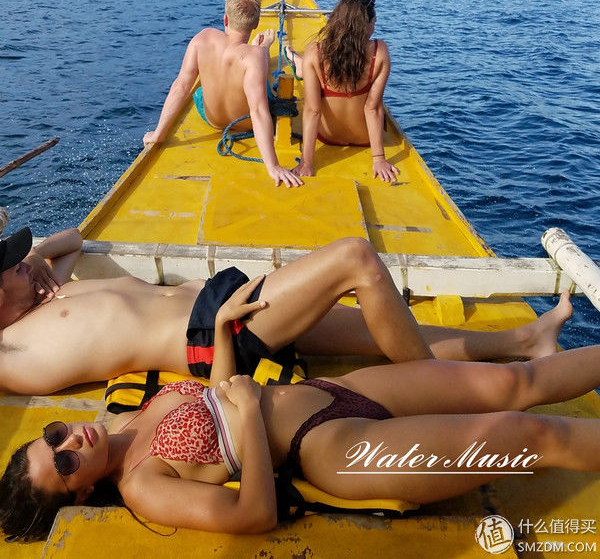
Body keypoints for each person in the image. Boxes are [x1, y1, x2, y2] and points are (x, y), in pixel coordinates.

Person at [4, 333, 600, 540]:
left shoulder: (125, 419)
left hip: (333, 390)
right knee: (530, 435)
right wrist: (246, 416)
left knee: (512, 381)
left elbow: (215, 395)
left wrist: (220, 332)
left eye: (54, 437)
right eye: (64, 465)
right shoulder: (143, 487)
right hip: (329, 447)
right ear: (82, 494)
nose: (70, 444)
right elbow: (253, 514)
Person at [0, 226, 571, 396]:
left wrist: (34, 258)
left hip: (225, 298)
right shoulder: (16, 349)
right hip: (214, 336)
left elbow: (72, 239)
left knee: (383, 330)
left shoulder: (48, 286)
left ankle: (524, 342)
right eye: (12, 265)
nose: (23, 263)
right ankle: (442, 389)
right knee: (356, 259)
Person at [143, 0, 302, 188]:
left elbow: (181, 86)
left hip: (211, 119)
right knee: (265, 87)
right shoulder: (254, 57)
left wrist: (158, 134)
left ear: (225, 19)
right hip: (244, 123)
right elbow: (258, 111)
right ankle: (263, 49)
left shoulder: (202, 38)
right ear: (255, 24)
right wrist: (273, 166)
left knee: (199, 92)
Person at [290, 0, 397, 182]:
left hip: (328, 136)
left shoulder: (315, 51)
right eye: (373, 22)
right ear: (365, 25)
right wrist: (379, 159)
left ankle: (300, 65)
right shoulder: (379, 52)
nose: (374, 27)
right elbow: (372, 108)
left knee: (310, 65)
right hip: (365, 138)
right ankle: (301, 66)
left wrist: (306, 163)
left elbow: (313, 110)